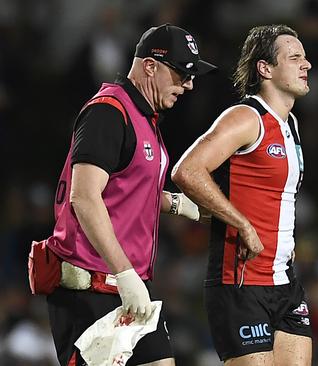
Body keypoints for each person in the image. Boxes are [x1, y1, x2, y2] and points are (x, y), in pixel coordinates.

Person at [43, 24, 216, 366]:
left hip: (124, 286)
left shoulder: (142, 116)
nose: (189, 84)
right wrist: (124, 274)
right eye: (182, 73)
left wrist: (179, 204)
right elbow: (85, 197)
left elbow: (128, 186)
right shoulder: (108, 112)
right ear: (150, 66)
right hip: (91, 286)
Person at [171, 24, 312, 365]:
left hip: (284, 282)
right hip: (240, 283)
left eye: (305, 58)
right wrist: (242, 225)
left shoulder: (290, 124)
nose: (306, 65)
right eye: (294, 58)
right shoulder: (246, 117)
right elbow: (186, 171)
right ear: (265, 69)